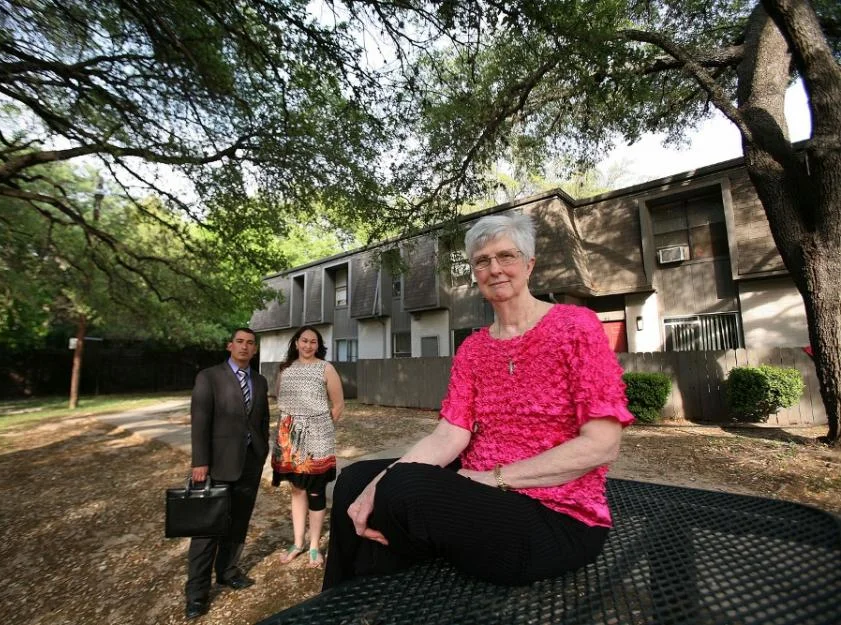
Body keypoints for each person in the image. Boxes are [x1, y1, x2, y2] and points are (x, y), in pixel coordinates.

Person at [322, 213, 635, 590]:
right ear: (474, 271)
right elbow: (449, 435)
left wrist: (491, 479)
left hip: (558, 517)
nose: (495, 268)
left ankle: (390, 588)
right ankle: (343, 601)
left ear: (529, 264)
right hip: (478, 494)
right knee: (356, 479)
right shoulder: (473, 348)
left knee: (405, 490)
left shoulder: (577, 327)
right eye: (482, 260)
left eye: (507, 256)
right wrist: (379, 481)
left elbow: (602, 445)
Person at [184, 328, 270, 620]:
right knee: (207, 530)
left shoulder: (259, 380)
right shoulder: (209, 377)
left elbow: (262, 419)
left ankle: (227, 571)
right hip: (217, 465)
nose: (245, 347)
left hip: (250, 463)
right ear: (229, 345)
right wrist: (200, 462)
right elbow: (200, 421)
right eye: (240, 342)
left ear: (255, 350)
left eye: (250, 344)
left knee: (238, 524)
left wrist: (263, 450)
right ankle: (196, 594)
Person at [271, 325, 345, 569]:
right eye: (304, 341)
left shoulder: (326, 368)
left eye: (313, 342)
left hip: (317, 438)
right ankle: (297, 542)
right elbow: (282, 401)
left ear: (318, 345)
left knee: (315, 491)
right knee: (296, 489)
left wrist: (320, 427)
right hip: (289, 438)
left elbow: (338, 404)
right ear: (296, 343)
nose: (308, 345)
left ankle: (314, 545)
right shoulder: (285, 370)